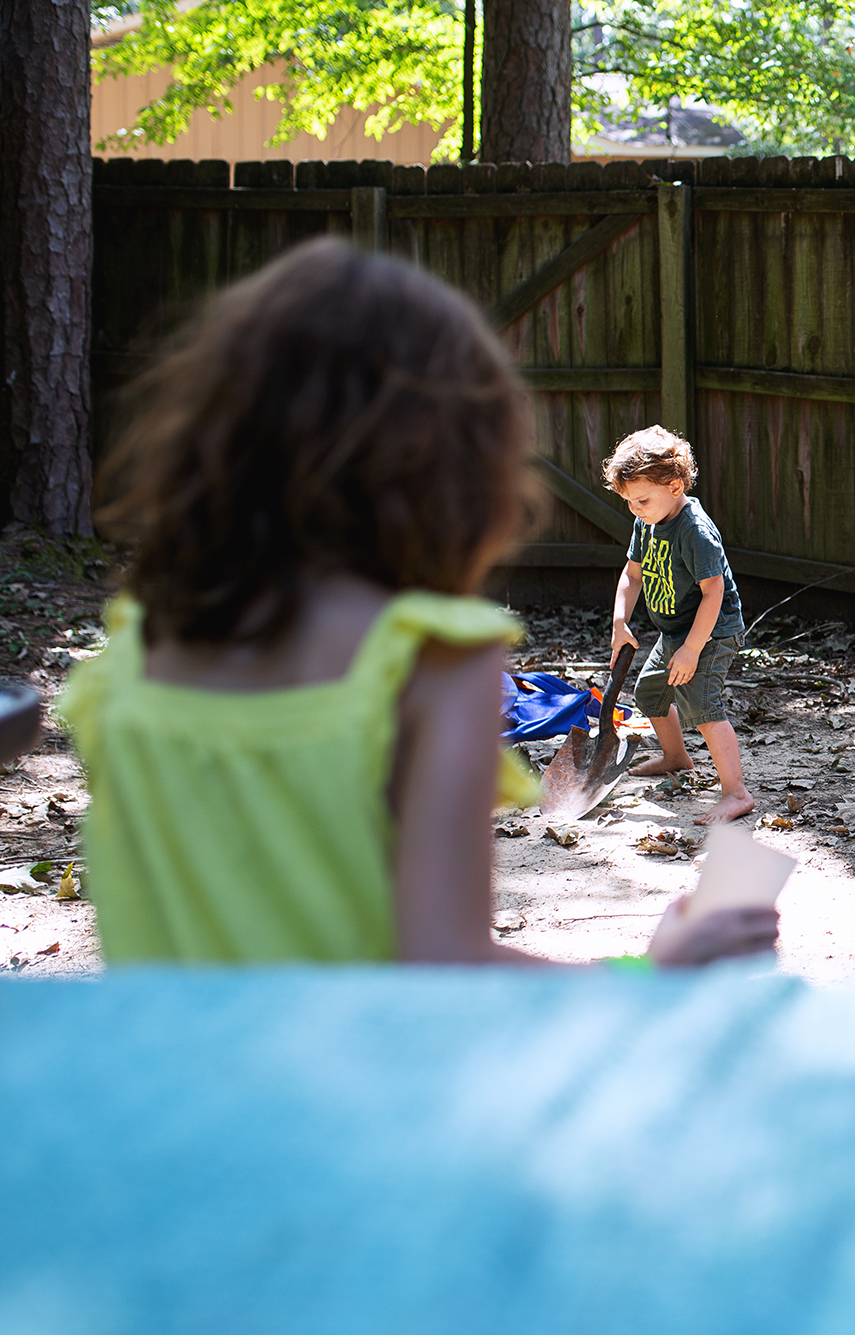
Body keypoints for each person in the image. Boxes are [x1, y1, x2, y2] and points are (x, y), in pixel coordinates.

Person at [58, 239, 775, 968]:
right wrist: (650, 977)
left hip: (155, 1076)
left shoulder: (124, 660)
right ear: (458, 469)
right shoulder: (430, 662)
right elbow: (443, 972)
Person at [604, 428, 755, 826]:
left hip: (712, 632)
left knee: (703, 708)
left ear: (674, 485)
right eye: (629, 502)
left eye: (641, 500)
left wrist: (691, 649)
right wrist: (620, 622)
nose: (635, 509)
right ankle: (676, 758)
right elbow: (632, 575)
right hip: (675, 632)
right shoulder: (647, 521)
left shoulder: (694, 531)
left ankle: (736, 793)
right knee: (650, 692)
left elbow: (713, 592)